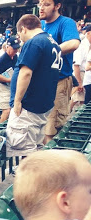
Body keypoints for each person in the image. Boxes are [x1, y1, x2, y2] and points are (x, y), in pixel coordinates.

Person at [7, 14, 61, 160]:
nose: (20, 38)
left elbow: (25, 73)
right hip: (42, 105)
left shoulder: (35, 42)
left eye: (19, 34)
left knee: (27, 156)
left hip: (29, 107)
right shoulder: (52, 42)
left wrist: (17, 101)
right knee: (35, 151)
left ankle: (30, 182)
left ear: (23, 29)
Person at [40, 0, 80, 143]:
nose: (41, 7)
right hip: (41, 84)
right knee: (40, 128)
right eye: (40, 4)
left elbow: (74, 43)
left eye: (46, 4)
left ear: (57, 6)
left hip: (58, 82)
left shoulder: (66, 23)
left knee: (51, 131)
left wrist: (48, 51)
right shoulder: (41, 25)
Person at [0, 36, 21, 123]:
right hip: (3, 86)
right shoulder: (2, 59)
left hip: (11, 87)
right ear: (8, 47)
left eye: (17, 48)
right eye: (13, 48)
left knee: (12, 109)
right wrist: (8, 80)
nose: (15, 50)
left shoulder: (16, 57)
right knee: (7, 110)